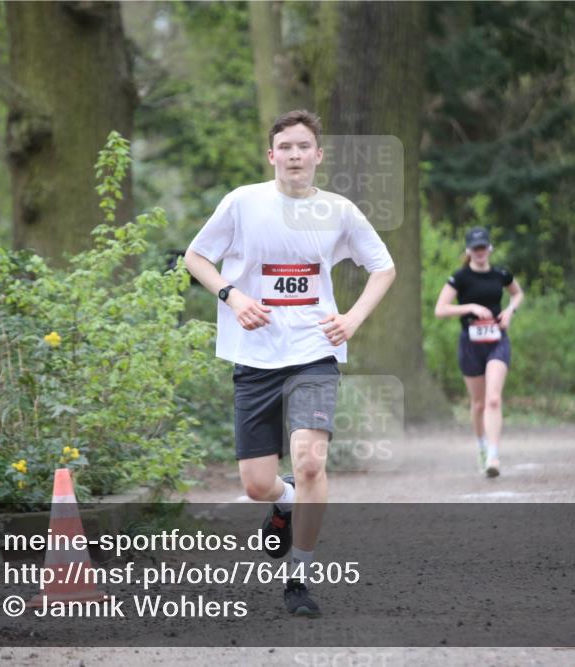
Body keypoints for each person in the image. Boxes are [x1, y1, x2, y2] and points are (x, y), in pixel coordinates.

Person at [183, 109, 396, 615]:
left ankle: (298, 579)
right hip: (254, 356)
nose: (295, 155)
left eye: (305, 146)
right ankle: (284, 501)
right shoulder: (242, 203)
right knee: (257, 483)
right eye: (286, 147)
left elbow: (383, 267)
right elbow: (195, 257)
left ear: (318, 155)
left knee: (309, 460)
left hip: (314, 352)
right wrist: (232, 297)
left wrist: (353, 318)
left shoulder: (339, 211)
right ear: (271, 155)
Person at [434, 227, 523, 477]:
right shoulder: (460, 278)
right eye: (475, 248)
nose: (480, 252)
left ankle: (493, 457)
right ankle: (481, 446)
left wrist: (509, 312)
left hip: (497, 341)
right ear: (468, 251)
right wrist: (470, 306)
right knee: (479, 403)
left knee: (494, 399)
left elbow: (517, 294)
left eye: (483, 247)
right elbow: (440, 309)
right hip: (471, 344)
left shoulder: (501, 274)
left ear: (490, 249)